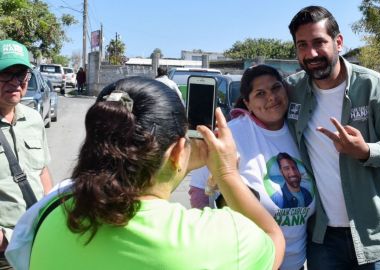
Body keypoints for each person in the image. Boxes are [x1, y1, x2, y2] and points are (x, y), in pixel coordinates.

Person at [23, 76, 284, 269]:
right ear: (178, 150)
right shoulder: (213, 237)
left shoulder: (51, 216)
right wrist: (226, 172)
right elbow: (272, 240)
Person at [285, 6, 380, 269]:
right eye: (302, 45)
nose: (311, 53)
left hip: (374, 233)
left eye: (319, 42)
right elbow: (261, 110)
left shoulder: (372, 87)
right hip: (322, 235)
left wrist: (366, 151)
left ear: (339, 42)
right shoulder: (292, 90)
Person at [189, 65, 315, 270]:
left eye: (276, 88)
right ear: (247, 102)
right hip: (250, 263)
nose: (271, 97)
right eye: (260, 94)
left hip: (297, 263)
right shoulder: (232, 134)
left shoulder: (299, 131)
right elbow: (198, 190)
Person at [0, 40, 52, 269]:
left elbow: (41, 171)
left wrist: (54, 212)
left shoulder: (33, 119)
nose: (14, 82)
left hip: (38, 241)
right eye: (5, 74)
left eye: (20, 74)